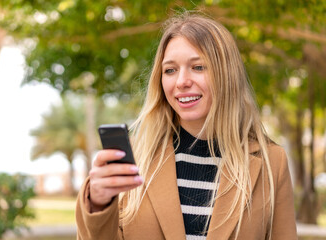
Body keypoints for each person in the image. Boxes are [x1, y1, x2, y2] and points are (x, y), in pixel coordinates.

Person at [76, 12, 297, 240]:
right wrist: (98, 204)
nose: (181, 82)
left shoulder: (272, 162)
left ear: (227, 74)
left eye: (198, 67)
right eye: (170, 70)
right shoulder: (135, 160)